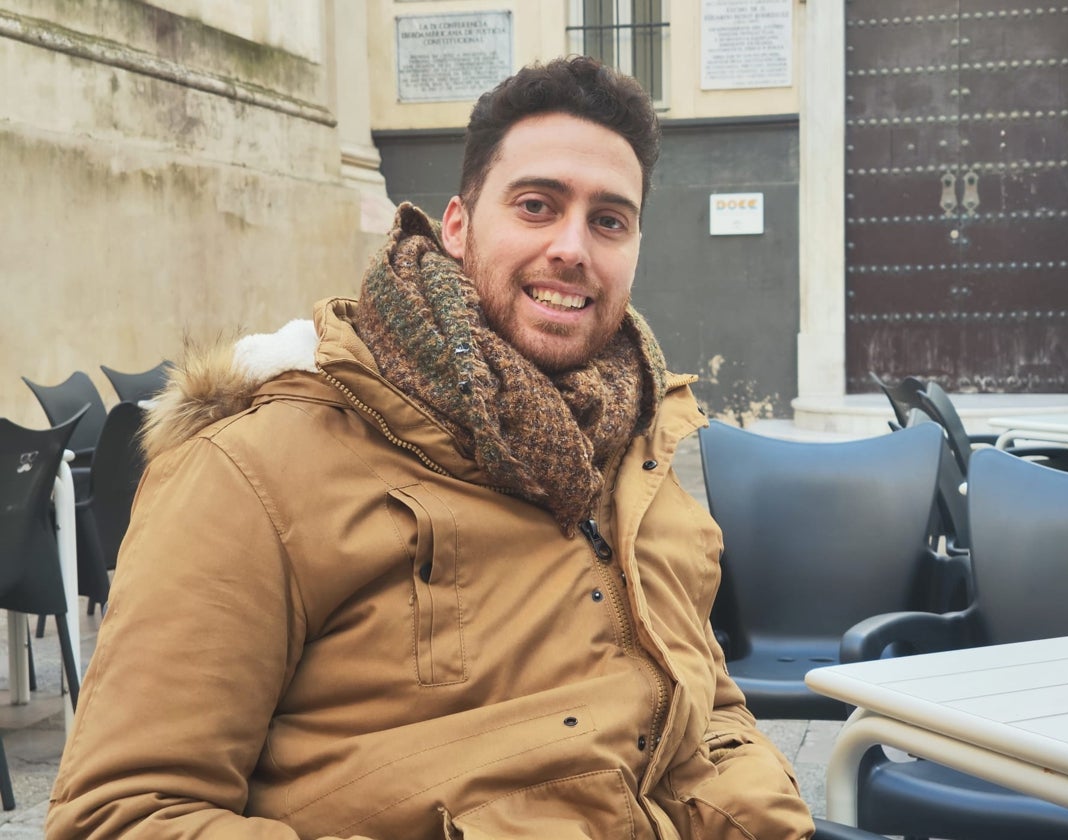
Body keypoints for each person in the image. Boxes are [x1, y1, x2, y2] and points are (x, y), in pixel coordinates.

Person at [45, 56, 815, 839]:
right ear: (456, 228)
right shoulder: (254, 469)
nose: (573, 248)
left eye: (608, 220)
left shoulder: (640, 445)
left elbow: (706, 706)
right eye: (537, 206)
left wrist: (766, 819)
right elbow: (121, 815)